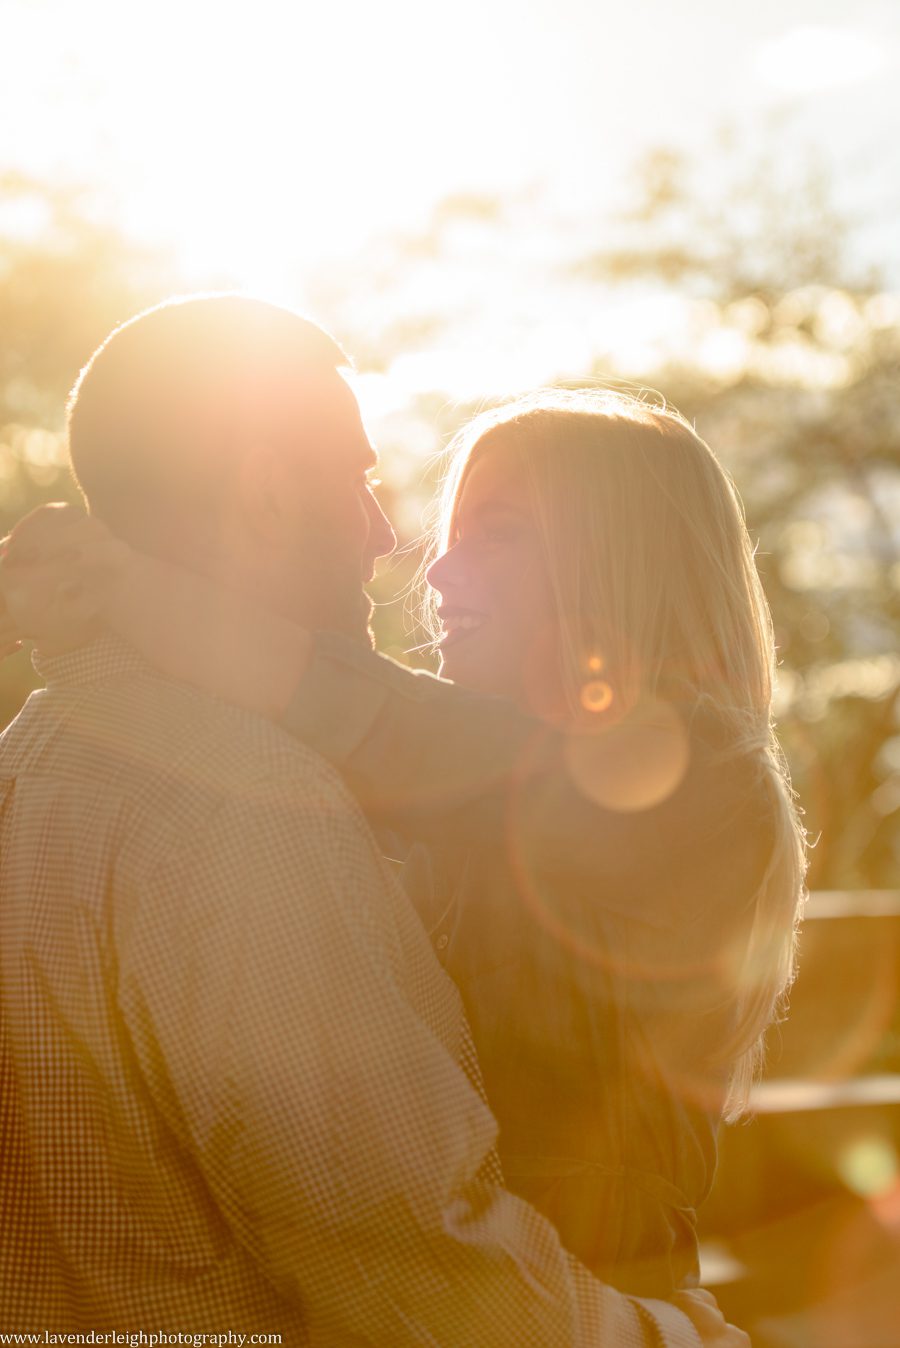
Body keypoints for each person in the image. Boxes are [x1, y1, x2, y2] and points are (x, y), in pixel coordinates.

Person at [0, 294, 749, 1345]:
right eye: (360, 478)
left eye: (497, 535)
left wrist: (115, 590)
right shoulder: (248, 808)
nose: (399, 544)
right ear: (267, 494)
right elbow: (416, 1275)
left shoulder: (30, 760)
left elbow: (367, 708)